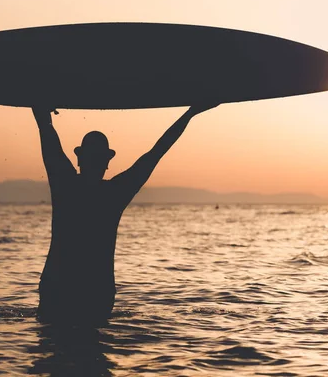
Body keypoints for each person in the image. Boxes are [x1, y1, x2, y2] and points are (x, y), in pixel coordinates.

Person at [32, 102, 220, 325]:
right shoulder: (114, 194)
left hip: (58, 288)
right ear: (107, 162)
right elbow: (157, 151)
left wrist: (40, 105)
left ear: (79, 159)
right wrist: (190, 113)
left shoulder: (65, 184)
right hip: (95, 294)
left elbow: (46, 132)